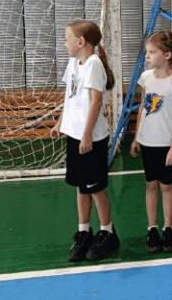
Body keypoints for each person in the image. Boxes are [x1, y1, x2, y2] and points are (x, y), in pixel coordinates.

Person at [50, 20, 119, 262]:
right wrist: (61, 123)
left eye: (67, 39)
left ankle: (107, 232)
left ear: (80, 42)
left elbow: (96, 101)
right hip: (75, 136)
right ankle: (84, 231)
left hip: (91, 138)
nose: (65, 43)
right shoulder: (73, 63)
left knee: (96, 188)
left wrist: (87, 133)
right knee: (81, 186)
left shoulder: (94, 64)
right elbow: (69, 97)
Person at [130, 31, 172, 254]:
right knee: (151, 185)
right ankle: (152, 228)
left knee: (167, 186)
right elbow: (143, 108)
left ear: (167, 55)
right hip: (147, 143)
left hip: (166, 144)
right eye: (147, 52)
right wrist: (137, 137)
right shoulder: (146, 77)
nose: (147, 56)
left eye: (152, 52)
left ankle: (168, 228)